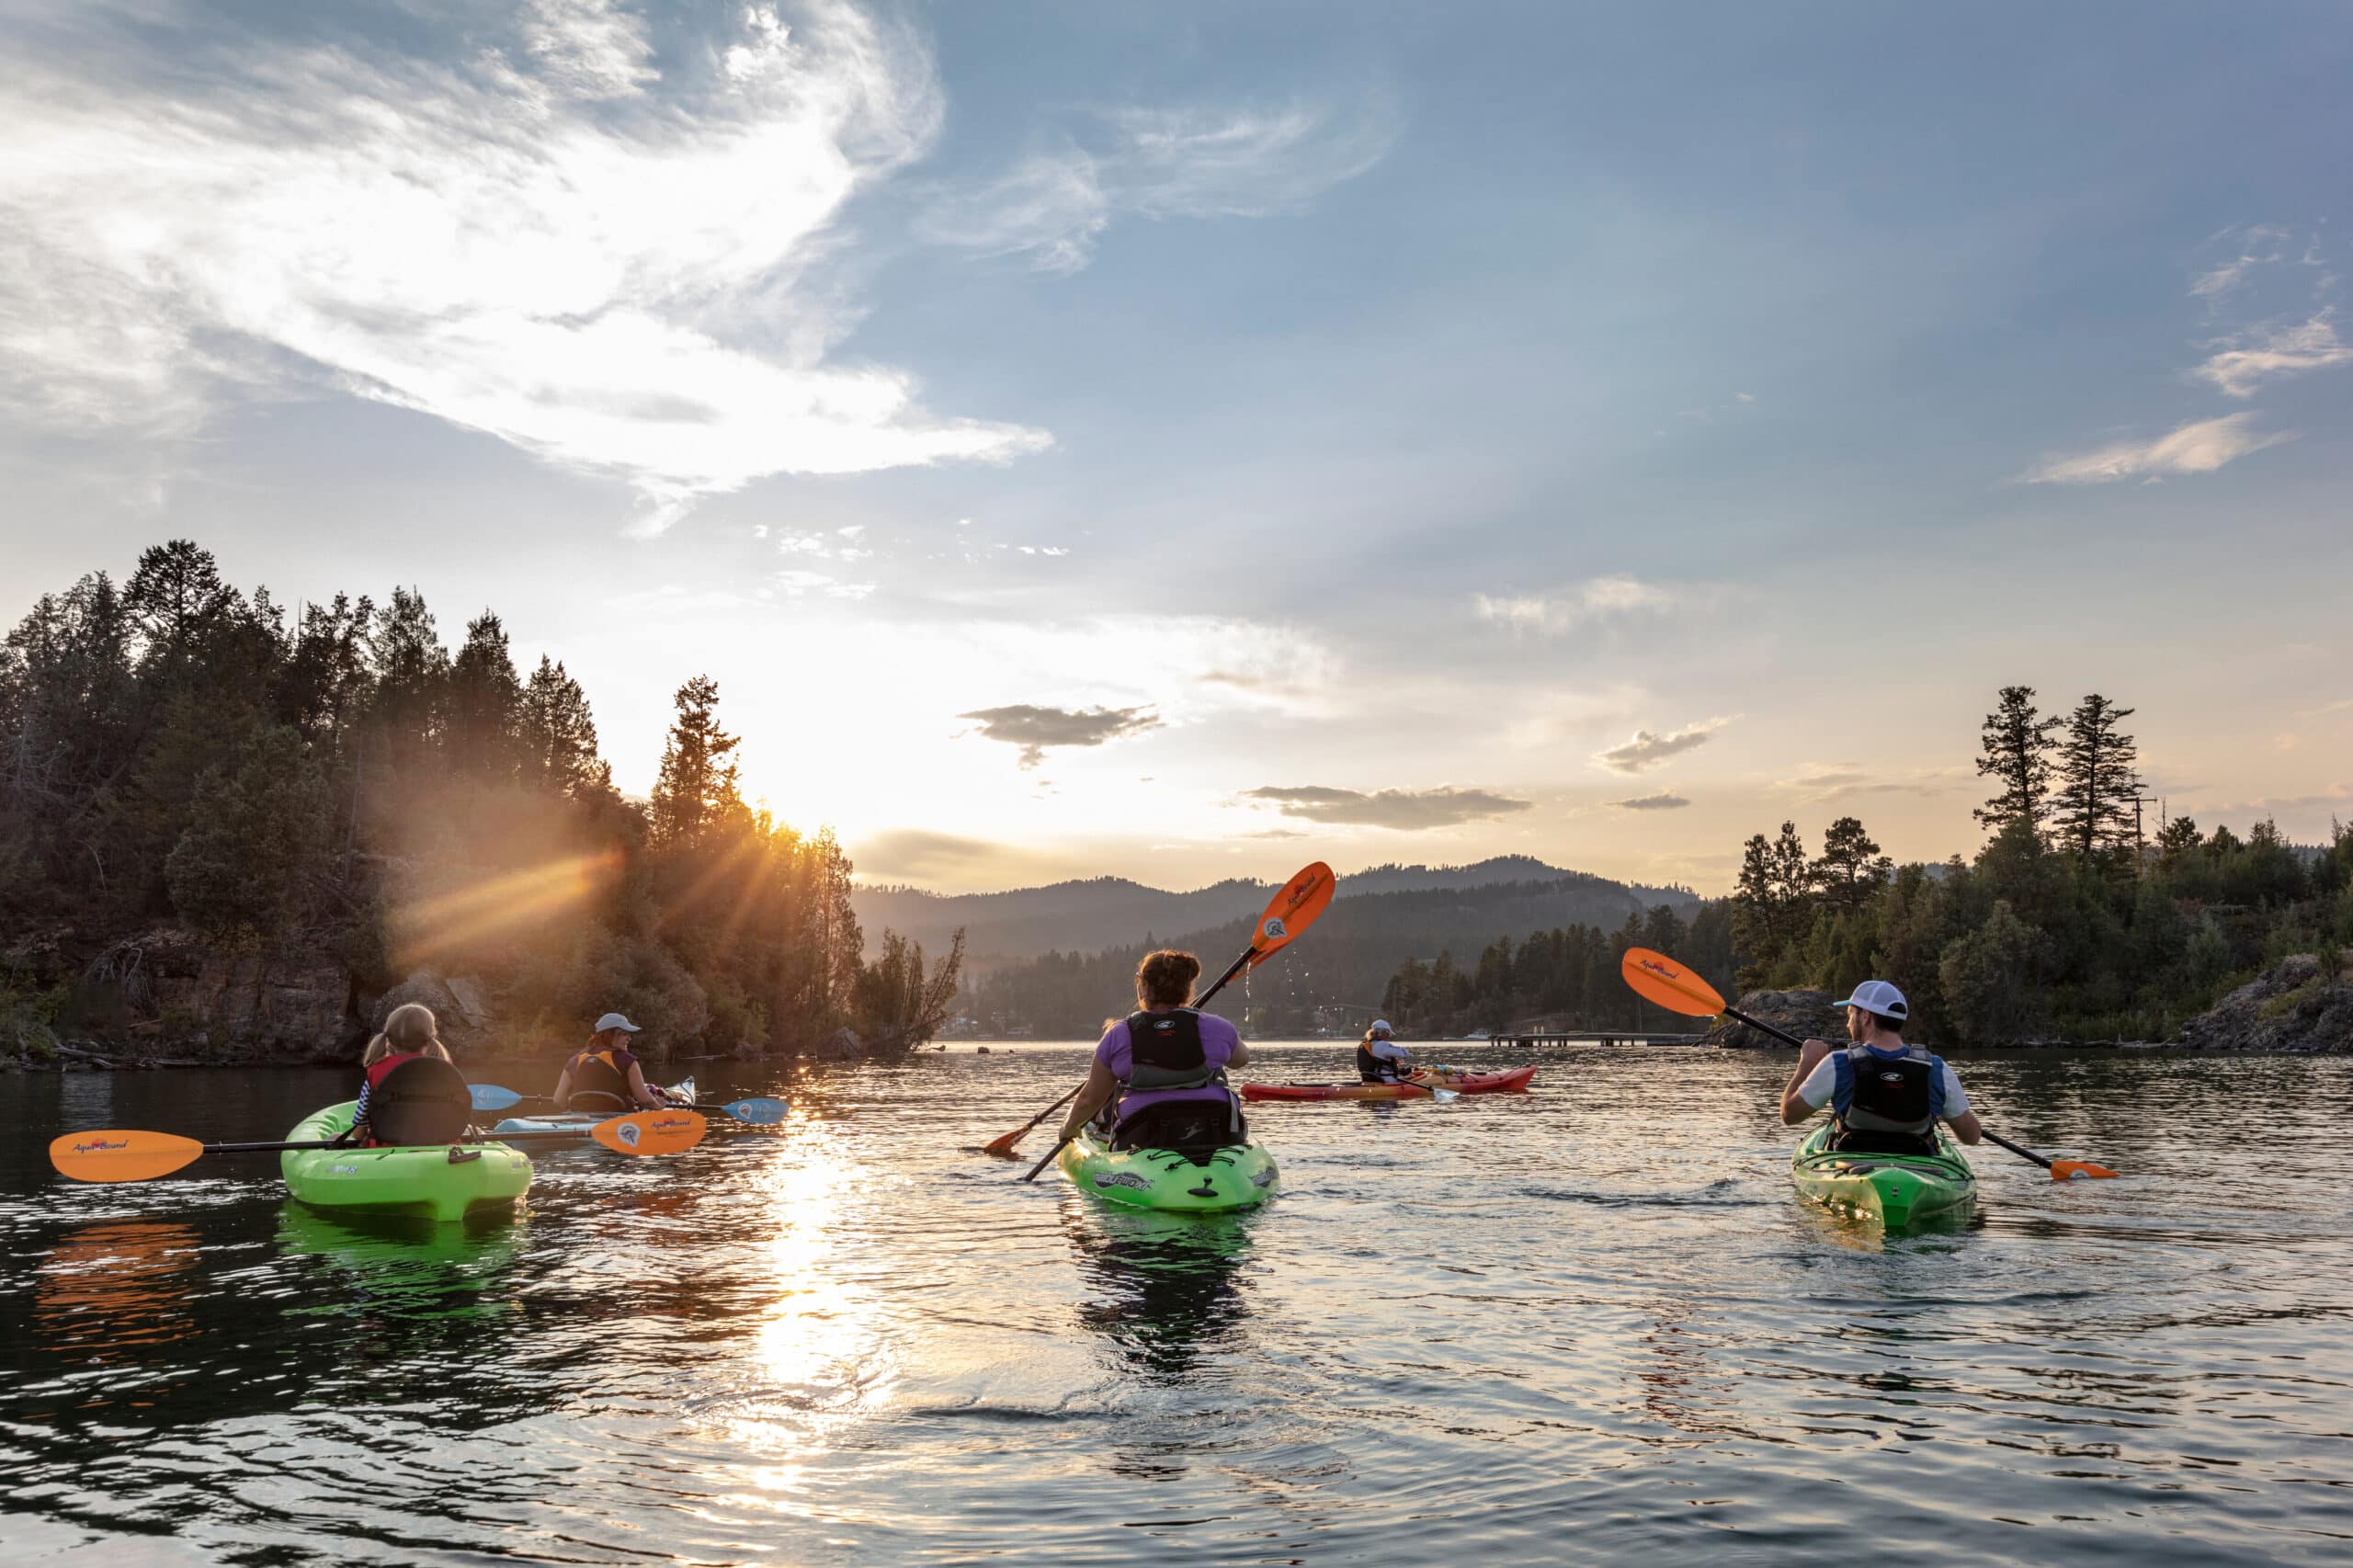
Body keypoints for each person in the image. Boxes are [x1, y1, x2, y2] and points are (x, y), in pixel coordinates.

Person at [1057, 950, 1253, 1152]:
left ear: (1142, 985)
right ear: (1188, 988)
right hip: (1215, 1133)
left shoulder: (1119, 1035)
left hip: (1143, 1138)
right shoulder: (1218, 1027)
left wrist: (1069, 1127)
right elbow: (1240, 1060)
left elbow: (1090, 1099)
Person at [1780, 980, 1983, 1153]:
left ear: (1866, 1016)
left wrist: (1806, 1063)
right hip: (1919, 1167)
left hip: (1853, 1168)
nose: (1848, 1024)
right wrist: (1948, 1111)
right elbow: (1972, 1137)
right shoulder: (1936, 1068)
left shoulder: (1839, 1062)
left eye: (1851, 1014)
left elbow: (1789, 1115)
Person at [350, 1002, 465, 1147]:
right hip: (439, 1149)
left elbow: (358, 1133)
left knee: (334, 1136)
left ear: (389, 1039)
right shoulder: (446, 1072)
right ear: (430, 1038)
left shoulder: (374, 1072)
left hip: (387, 1152)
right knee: (477, 1131)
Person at [551, 1012, 674, 1112]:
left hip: (582, 1122)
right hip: (620, 1125)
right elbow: (645, 1100)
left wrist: (579, 1108)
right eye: (624, 1034)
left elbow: (558, 1099)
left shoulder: (574, 1061)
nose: (629, 1038)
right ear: (609, 1035)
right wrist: (659, 1106)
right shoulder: (628, 1060)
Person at [1357, 1019, 1413, 1084]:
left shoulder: (1367, 1045)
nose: (1388, 1036)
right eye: (1388, 1032)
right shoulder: (1382, 1045)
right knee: (1412, 1077)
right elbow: (1404, 1054)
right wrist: (1402, 1049)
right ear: (1381, 1032)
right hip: (1387, 1080)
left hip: (1370, 1080)